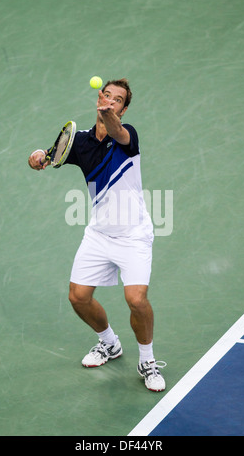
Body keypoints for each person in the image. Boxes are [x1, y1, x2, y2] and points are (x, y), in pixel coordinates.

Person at [28, 78, 166, 392]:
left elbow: (117, 130)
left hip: (133, 235)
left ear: (124, 108)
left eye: (118, 100)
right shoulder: (78, 141)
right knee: (78, 297)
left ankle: (147, 360)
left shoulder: (127, 135)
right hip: (99, 235)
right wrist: (36, 157)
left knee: (136, 299)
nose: (110, 101)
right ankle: (109, 343)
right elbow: (47, 157)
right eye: (107, 96)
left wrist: (110, 118)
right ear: (99, 97)